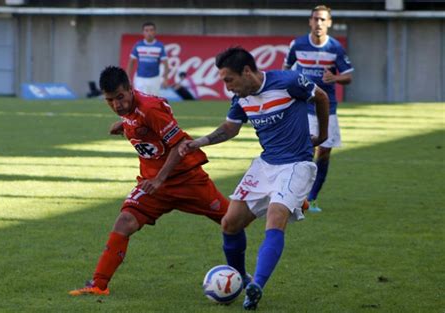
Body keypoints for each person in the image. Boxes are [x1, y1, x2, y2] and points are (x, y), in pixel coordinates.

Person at [179, 47, 329, 310]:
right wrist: (200, 142)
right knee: (230, 223)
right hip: (265, 164)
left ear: (246, 71)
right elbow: (230, 128)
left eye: (229, 80)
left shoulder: (289, 81)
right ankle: (243, 280)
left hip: (297, 164)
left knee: (276, 216)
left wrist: (323, 136)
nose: (227, 87)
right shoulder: (241, 98)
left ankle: (257, 286)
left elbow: (322, 97)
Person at [69, 66, 233, 296]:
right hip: (153, 185)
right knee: (124, 221)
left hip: (187, 180)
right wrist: (125, 125)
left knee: (234, 220)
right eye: (109, 101)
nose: (116, 105)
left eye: (120, 98)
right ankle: (98, 285)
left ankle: (281, 201)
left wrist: (159, 178)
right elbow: (144, 128)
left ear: (130, 89)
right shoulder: (130, 111)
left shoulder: (150, 109)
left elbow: (179, 146)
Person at [283, 5, 354, 212]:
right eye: (315, 19)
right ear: (310, 22)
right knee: (304, 151)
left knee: (323, 153)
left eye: (323, 20)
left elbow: (348, 76)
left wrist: (336, 77)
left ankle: (312, 197)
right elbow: (286, 71)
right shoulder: (298, 45)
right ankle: (297, 197)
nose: (319, 23)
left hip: (327, 108)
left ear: (329, 23)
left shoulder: (335, 48)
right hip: (303, 106)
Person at [126, 21, 169, 96]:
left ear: (155, 32)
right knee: (140, 100)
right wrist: (127, 78)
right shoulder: (138, 45)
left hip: (154, 78)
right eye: (146, 30)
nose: (149, 33)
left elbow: (165, 63)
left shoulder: (160, 46)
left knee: (154, 100)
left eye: (151, 30)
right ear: (143, 32)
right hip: (140, 78)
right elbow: (131, 62)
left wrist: (165, 79)